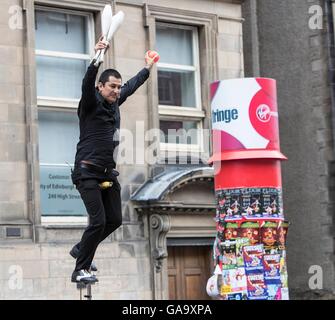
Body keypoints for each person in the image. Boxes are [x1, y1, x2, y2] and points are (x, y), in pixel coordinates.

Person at [70, 37, 159, 283]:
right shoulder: (89, 104)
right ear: (101, 87)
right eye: (112, 86)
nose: (116, 90)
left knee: (115, 220)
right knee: (97, 221)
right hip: (86, 171)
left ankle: (81, 249)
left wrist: (147, 67)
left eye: (118, 87)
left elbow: (131, 85)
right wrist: (96, 59)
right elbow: (87, 83)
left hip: (108, 173)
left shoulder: (115, 103)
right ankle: (79, 269)